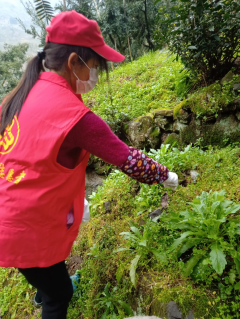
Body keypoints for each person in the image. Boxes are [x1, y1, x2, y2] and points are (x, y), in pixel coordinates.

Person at [0, 11, 178, 319]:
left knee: (43, 271)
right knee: (61, 295)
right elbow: (128, 159)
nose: (95, 76)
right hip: (23, 227)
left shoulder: (20, 94)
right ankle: (51, 294)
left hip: (12, 212)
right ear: (73, 63)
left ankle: (45, 288)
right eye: (94, 67)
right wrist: (168, 176)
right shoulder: (75, 116)